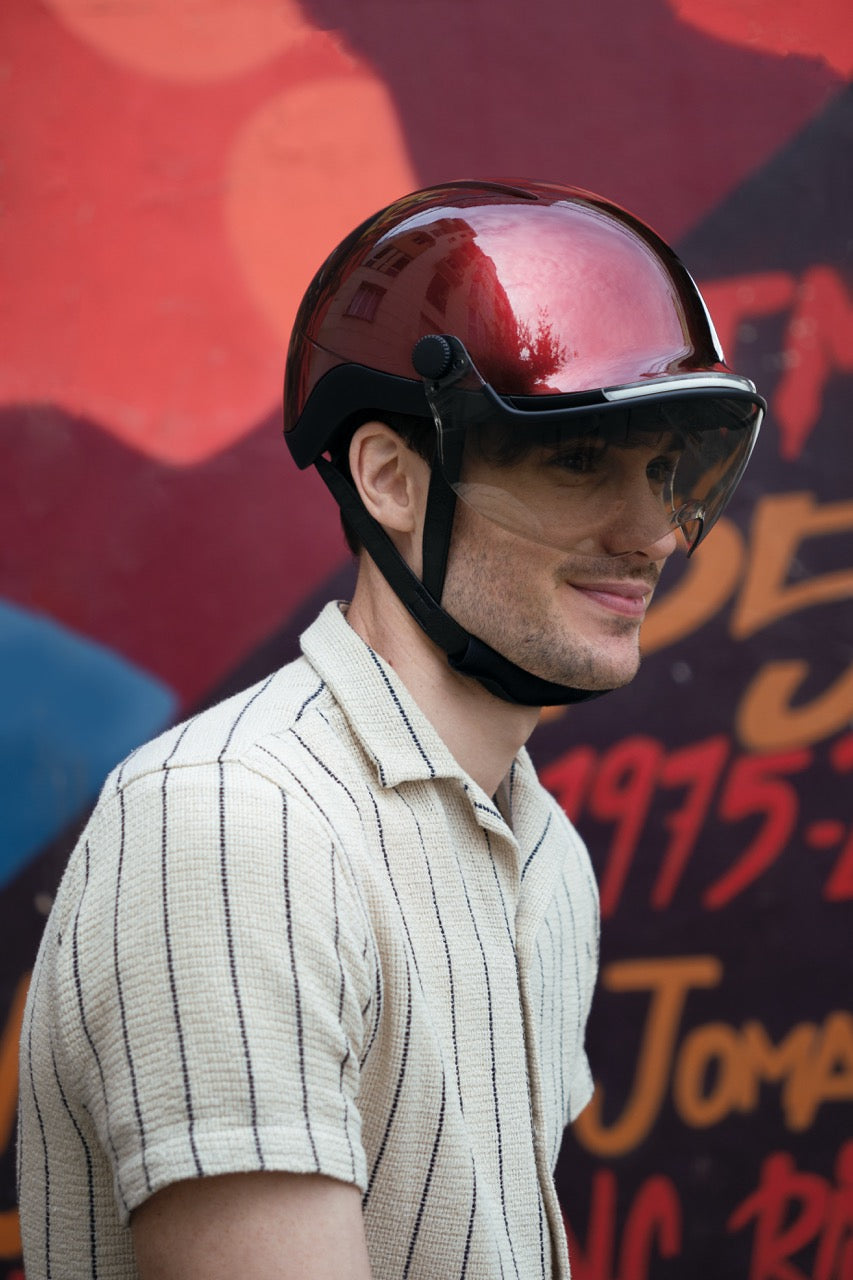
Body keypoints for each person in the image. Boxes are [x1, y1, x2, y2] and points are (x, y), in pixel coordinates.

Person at [17, 180, 764, 1279]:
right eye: (576, 461)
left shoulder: (543, 851)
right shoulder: (235, 826)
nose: (651, 532)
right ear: (390, 479)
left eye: (662, 472)